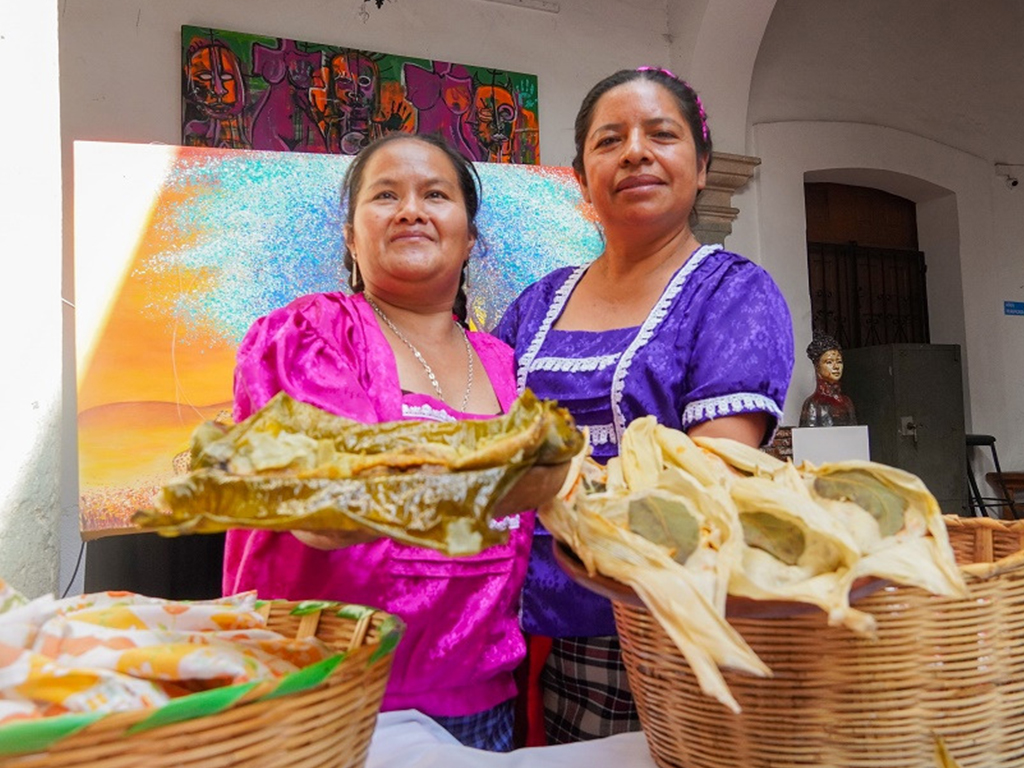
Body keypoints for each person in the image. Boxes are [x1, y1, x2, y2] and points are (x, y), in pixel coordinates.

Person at [223, 132, 564, 752]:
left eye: (435, 194)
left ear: (469, 236)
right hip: (322, 704)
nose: (411, 210)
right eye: (385, 195)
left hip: (481, 702)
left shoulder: (506, 365)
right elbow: (329, 509)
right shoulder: (306, 335)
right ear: (352, 238)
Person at [495, 67, 795, 744]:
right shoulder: (536, 304)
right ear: (581, 176)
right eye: (610, 140)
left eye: (661, 134)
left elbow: (709, 480)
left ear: (702, 167)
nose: (634, 151)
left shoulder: (732, 295)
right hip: (519, 622)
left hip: (653, 627)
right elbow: (485, 445)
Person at [799, 331, 857, 427]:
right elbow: (808, 438)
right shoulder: (813, 404)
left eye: (839, 361)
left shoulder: (847, 402)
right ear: (817, 366)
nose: (836, 366)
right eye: (829, 362)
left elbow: (855, 434)